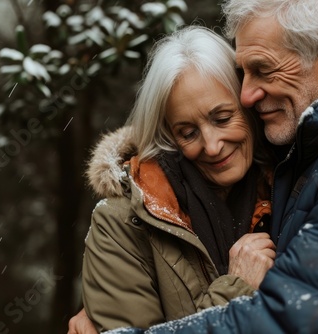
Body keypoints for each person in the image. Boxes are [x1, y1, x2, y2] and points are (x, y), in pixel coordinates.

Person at [68, 0, 318, 333]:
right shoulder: (302, 156)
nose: (247, 93)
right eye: (243, 72)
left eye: (262, 70)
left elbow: (286, 318)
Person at [80, 26, 276, 332]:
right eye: (188, 133)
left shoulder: (290, 185)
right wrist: (236, 289)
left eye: (222, 118)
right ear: (168, 136)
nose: (211, 146)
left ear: (247, 105)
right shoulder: (120, 224)